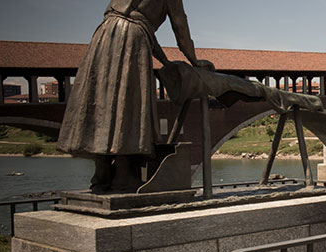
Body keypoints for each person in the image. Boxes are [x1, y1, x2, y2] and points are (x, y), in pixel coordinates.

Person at [57, 0, 212, 192]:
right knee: (129, 105)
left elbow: (139, 23)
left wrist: (164, 60)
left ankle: (101, 174)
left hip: (104, 35)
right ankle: (123, 174)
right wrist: (194, 59)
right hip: (132, 43)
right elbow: (178, 26)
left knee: (102, 102)